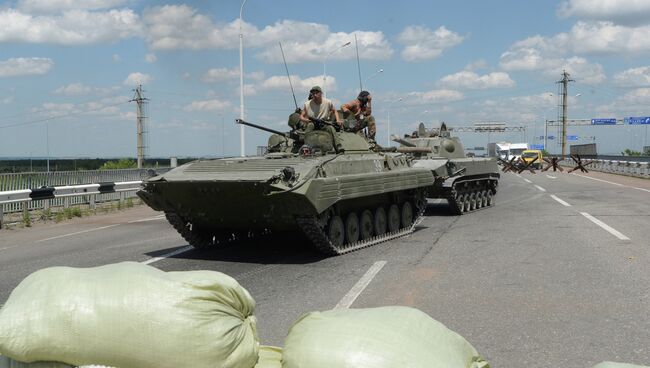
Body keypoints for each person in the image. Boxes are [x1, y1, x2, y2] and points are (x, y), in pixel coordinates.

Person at [298, 86, 344, 153]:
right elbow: (301, 116)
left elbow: (335, 111)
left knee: (331, 128)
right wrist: (306, 120)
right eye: (313, 93)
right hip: (312, 122)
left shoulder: (327, 102)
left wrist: (338, 120)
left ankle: (338, 146)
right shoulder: (307, 104)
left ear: (321, 93)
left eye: (316, 93)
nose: (315, 95)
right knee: (309, 127)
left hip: (323, 123)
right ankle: (305, 147)